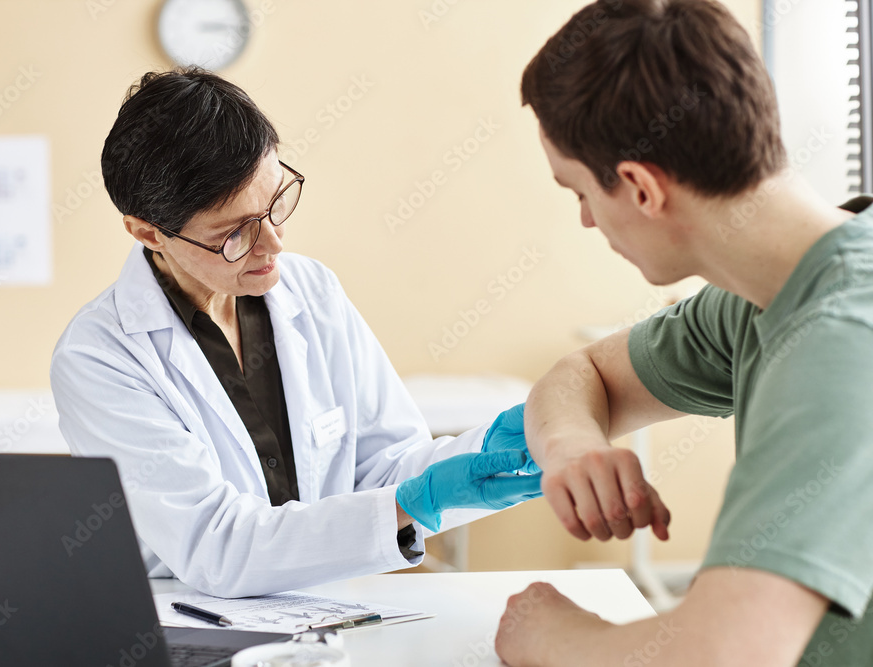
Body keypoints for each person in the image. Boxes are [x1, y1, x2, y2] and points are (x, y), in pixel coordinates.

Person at [50, 69, 542, 598]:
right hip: (196, 626)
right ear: (148, 232)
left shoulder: (311, 290)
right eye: (234, 232)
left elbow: (388, 471)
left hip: (334, 607)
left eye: (275, 203)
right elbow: (217, 548)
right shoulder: (100, 356)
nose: (274, 244)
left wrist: (474, 458)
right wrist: (409, 503)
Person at [494, 1, 873, 665]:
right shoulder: (762, 294)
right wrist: (574, 447)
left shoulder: (844, 334)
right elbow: (583, 373)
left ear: (640, 187)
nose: (586, 220)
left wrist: (543, 634)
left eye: (579, 191)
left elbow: (723, 655)